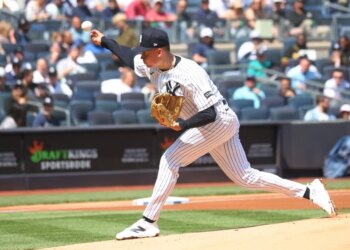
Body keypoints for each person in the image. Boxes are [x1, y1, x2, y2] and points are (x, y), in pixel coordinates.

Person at [90, 27, 337, 240]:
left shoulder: (191, 72)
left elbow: (210, 114)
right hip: (216, 123)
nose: (141, 56)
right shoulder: (150, 64)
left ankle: (148, 222)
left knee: (170, 160)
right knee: (245, 177)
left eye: (145, 52)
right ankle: (309, 191)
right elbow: (127, 54)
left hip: (218, 120)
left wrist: (181, 125)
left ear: (160, 51)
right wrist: (104, 41)